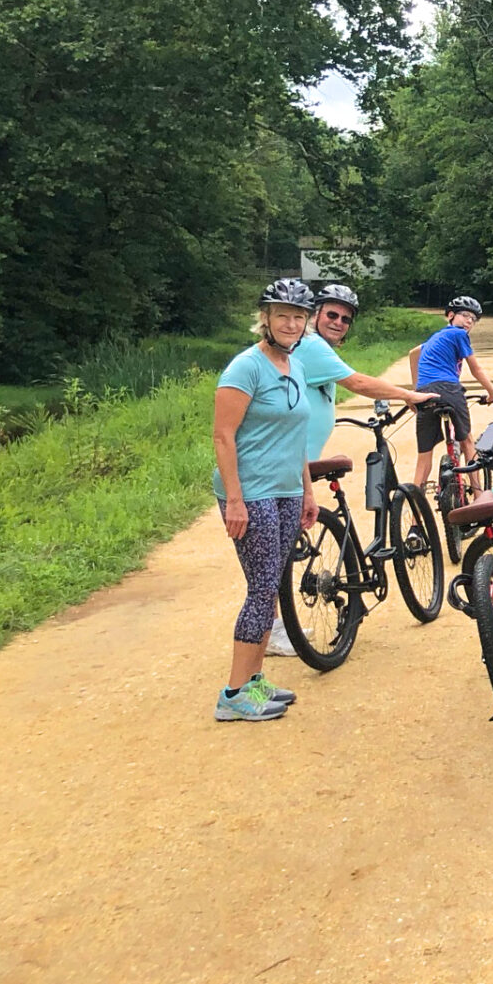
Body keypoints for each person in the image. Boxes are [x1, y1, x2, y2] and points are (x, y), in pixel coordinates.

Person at [265, 283, 435, 659]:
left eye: (345, 318)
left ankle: (274, 626)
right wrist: (411, 395)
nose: (339, 322)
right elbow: (357, 382)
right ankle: (273, 631)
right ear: (314, 314)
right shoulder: (310, 345)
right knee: (273, 557)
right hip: (280, 468)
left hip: (293, 466)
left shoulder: (305, 350)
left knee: (278, 552)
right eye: (332, 314)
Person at [210, 279, 317, 721]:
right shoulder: (245, 368)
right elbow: (223, 435)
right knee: (260, 590)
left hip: (287, 490)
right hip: (251, 493)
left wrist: (308, 488)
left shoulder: (295, 366)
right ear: (266, 318)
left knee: (273, 584)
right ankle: (233, 694)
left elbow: (298, 435)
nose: (290, 324)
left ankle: (255, 683)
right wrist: (235, 500)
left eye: (298, 316)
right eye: (282, 315)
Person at [408, 295, 493, 494]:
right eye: (465, 316)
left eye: (473, 320)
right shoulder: (458, 334)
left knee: (424, 457)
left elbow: (413, 353)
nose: (469, 321)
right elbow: (475, 368)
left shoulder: (436, 338)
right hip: (448, 389)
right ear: (450, 315)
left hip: (425, 394)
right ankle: (478, 495)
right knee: (467, 440)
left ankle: (416, 515)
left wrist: (415, 391)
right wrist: (492, 392)